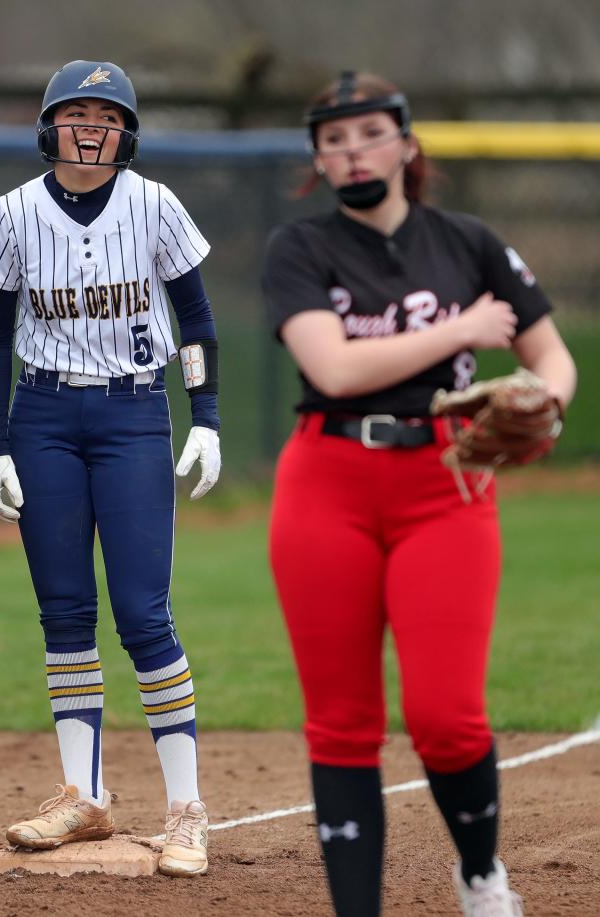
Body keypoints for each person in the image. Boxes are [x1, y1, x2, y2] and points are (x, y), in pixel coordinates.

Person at [262, 71, 576, 917]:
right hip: (326, 483)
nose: (352, 150)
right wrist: (465, 331)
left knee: (446, 716)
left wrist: (544, 398)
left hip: (447, 483)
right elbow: (332, 367)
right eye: (333, 140)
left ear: (406, 145)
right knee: (341, 720)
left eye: (369, 133)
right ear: (318, 162)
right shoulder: (300, 248)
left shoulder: (469, 240)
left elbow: (554, 360)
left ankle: (481, 877)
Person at [0, 60, 221, 877]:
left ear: (126, 132)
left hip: (132, 412)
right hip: (42, 416)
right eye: (75, 110)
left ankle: (186, 807)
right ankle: (84, 794)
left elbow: (197, 319)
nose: (90, 126)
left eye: (106, 114)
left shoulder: (154, 202)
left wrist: (206, 417)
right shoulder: (11, 212)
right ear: (47, 125)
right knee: (65, 610)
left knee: (144, 612)